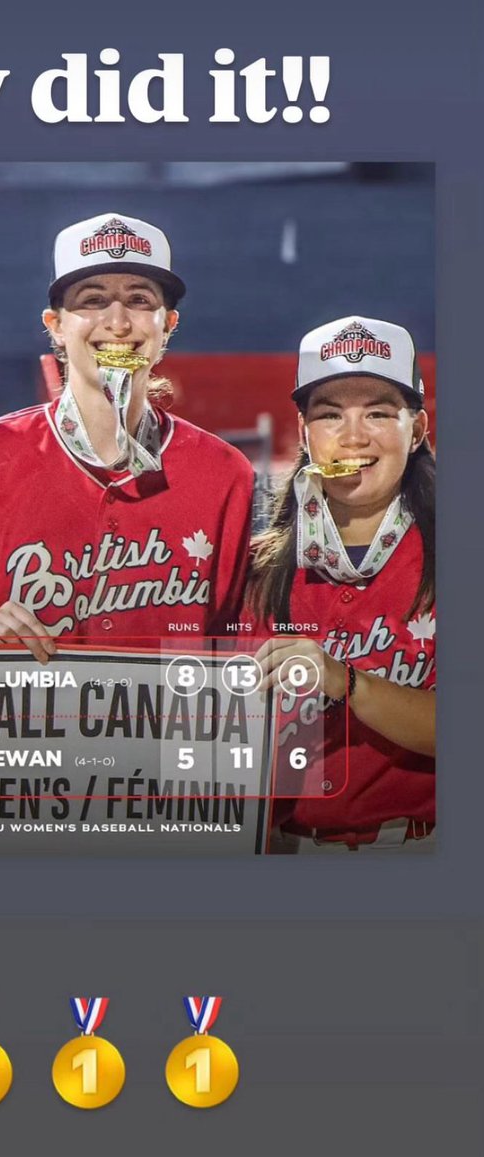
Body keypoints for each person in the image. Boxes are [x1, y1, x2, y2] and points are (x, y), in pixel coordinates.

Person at [0, 212, 254, 658]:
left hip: (168, 728)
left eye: (139, 300)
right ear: (56, 326)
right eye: (92, 300)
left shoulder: (222, 473)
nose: (117, 322)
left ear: (168, 325)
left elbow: (230, 649)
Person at [244, 316, 435, 851]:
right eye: (330, 415)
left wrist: (345, 681)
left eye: (378, 412)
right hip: (276, 852)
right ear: (305, 434)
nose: (353, 436)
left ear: (416, 430)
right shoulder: (255, 570)